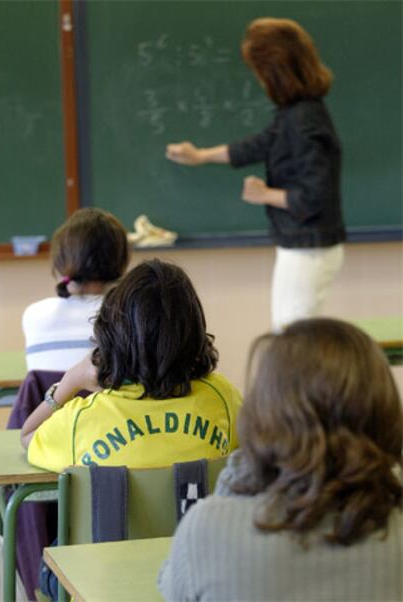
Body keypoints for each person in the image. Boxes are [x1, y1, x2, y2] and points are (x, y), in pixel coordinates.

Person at [158, 318, 403, 602]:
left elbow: (171, 587)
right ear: (385, 413)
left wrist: (242, 468)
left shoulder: (206, 530)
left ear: (262, 413)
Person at [166, 18, 346, 332]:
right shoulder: (297, 113)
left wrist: (265, 195)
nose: (260, 81)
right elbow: (258, 145)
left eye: (260, 73)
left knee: (292, 336)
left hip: (309, 245)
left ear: (277, 73)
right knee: (288, 333)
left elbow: (316, 195)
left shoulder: (304, 119)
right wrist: (200, 155)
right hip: (302, 243)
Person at [21, 259, 242, 472]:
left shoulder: (83, 420)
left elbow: (27, 435)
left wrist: (70, 382)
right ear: (194, 332)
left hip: (116, 513)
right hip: (198, 511)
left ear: (111, 336)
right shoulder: (224, 399)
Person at [22, 207, 130, 371]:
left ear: (60, 260)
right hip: (110, 397)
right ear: (121, 259)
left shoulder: (34, 315)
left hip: (53, 397)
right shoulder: (129, 315)